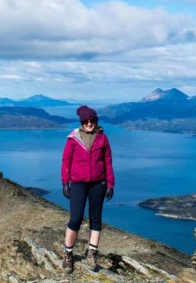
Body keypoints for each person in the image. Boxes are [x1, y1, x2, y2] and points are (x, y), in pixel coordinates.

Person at [60, 105, 115, 273]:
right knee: (75, 218)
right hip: (78, 183)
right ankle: (68, 254)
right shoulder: (73, 138)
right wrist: (65, 182)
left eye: (92, 121)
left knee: (96, 219)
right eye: (86, 121)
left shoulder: (102, 138)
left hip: (98, 183)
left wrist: (110, 183)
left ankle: (92, 253)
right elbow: (66, 159)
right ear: (81, 122)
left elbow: (108, 161)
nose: (89, 124)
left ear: (96, 121)